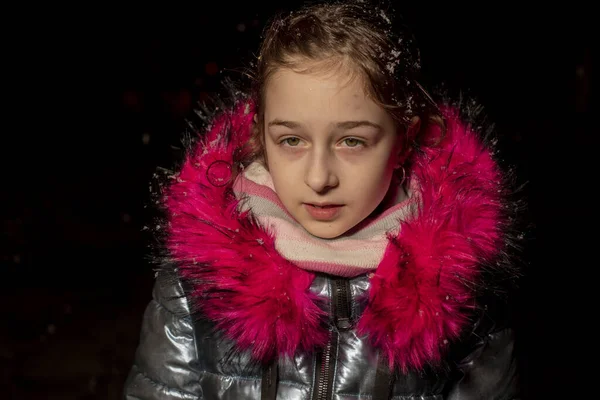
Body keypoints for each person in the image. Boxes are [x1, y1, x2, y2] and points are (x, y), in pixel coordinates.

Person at [123, 1, 525, 399]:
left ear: (403, 141)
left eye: (352, 141)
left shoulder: (462, 287)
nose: (319, 178)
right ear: (261, 136)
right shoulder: (198, 277)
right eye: (291, 140)